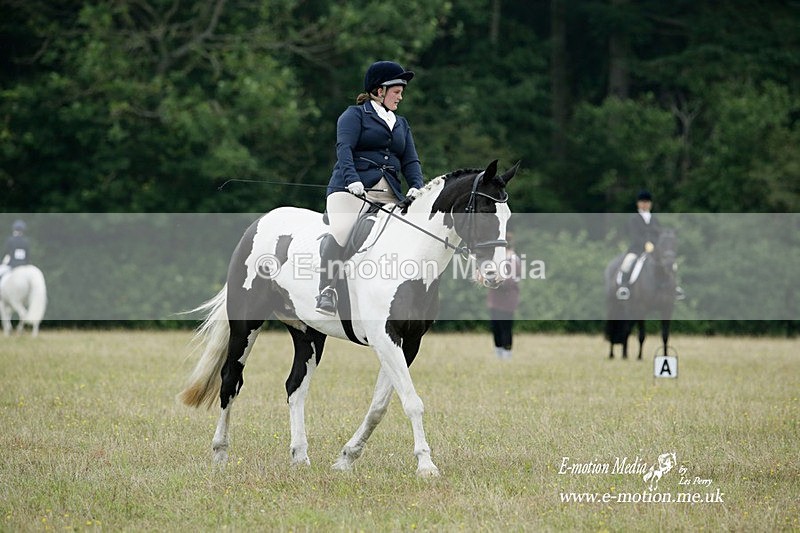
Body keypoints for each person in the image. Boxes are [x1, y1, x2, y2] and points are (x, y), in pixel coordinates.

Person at [315, 60, 425, 315]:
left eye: (401, 92)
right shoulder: (354, 115)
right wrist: (352, 179)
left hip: (389, 193)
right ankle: (326, 290)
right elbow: (344, 149)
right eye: (397, 92)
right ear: (379, 91)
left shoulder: (401, 123)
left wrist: (417, 185)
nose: (401, 97)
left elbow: (411, 159)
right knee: (342, 230)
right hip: (349, 189)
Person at [615, 190, 661, 300]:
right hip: (637, 249)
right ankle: (624, 287)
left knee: (669, 263)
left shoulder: (654, 219)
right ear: (638, 204)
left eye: (647, 202)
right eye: (642, 202)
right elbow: (634, 235)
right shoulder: (633, 219)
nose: (645, 204)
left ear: (650, 204)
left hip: (654, 250)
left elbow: (659, 234)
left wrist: (654, 245)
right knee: (627, 262)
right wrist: (645, 244)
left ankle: (673, 287)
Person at [487, 237, 522, 360]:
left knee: (506, 328)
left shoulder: (514, 261)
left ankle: (507, 356)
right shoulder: (497, 260)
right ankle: (498, 355)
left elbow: (508, 281)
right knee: (495, 328)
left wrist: (494, 280)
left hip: (507, 302)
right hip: (495, 301)